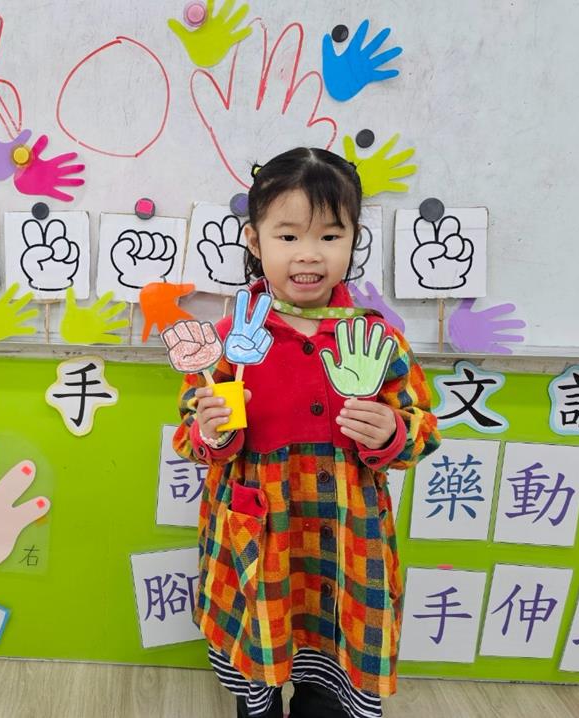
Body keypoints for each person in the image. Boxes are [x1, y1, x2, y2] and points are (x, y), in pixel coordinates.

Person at [172, 148, 441, 718]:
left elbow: (423, 428)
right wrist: (212, 431)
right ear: (255, 240)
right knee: (258, 682)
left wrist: (392, 432)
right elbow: (191, 434)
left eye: (330, 236)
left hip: (347, 543)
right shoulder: (230, 338)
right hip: (258, 537)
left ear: (354, 239)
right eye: (288, 236)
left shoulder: (375, 338)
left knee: (332, 689)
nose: (309, 254)